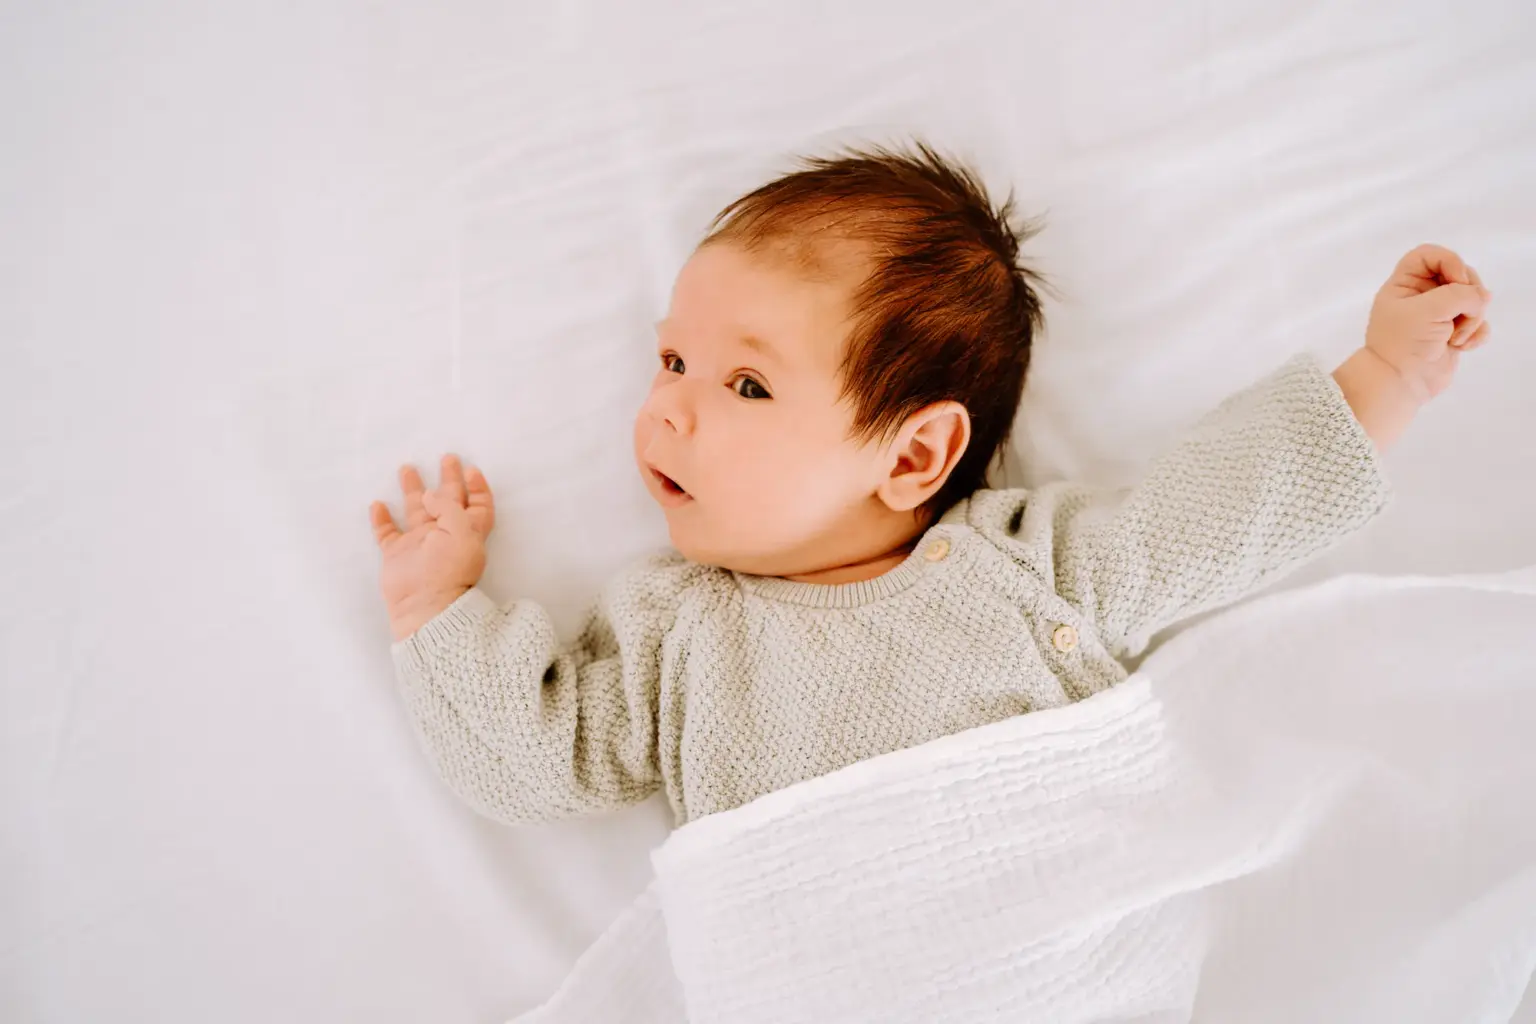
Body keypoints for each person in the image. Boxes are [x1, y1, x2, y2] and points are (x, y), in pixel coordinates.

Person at [368, 143, 1493, 826]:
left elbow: (1222, 508)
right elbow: (537, 762)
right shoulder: (675, 636)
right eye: (671, 361)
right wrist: (437, 611)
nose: (669, 405)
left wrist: (1388, 372)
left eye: (746, 383)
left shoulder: (1029, 566)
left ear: (911, 455)